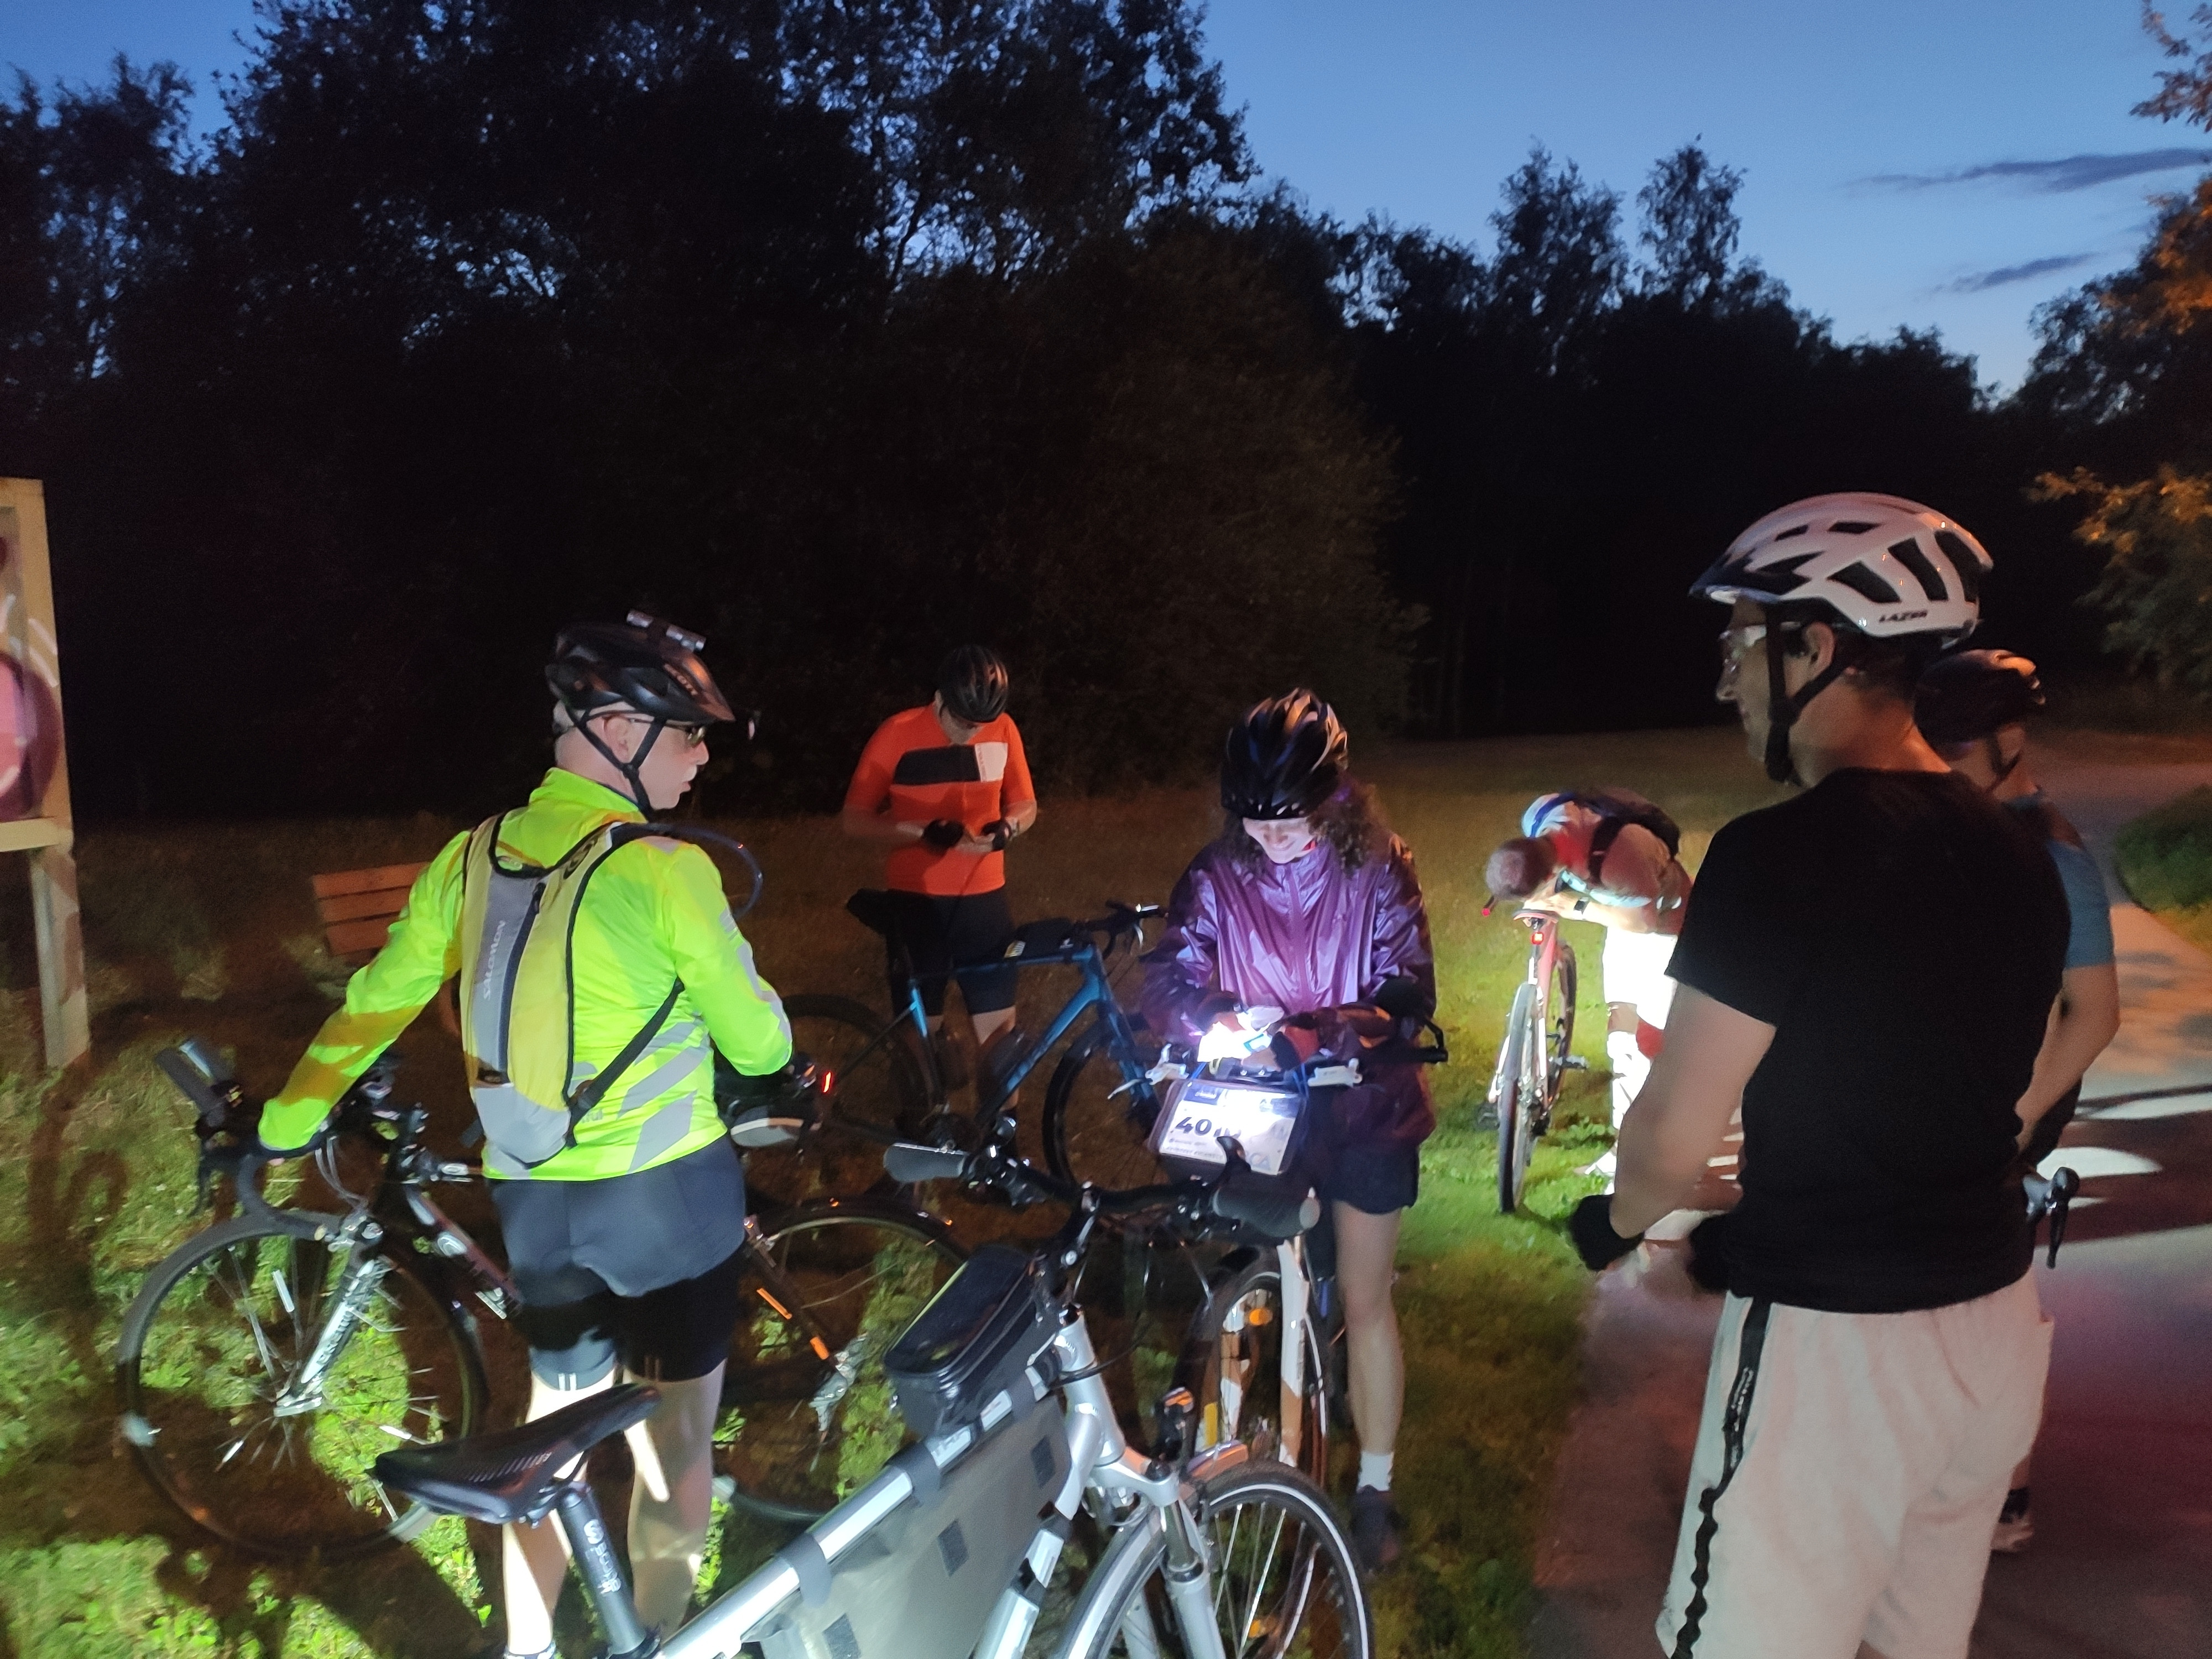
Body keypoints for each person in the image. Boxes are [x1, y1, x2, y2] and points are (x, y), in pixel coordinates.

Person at [1568, 494, 2070, 1659]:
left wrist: (1612, 1223)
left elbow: (1667, 1141)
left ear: (1816, 647)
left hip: (1837, 1350)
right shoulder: (2021, 854)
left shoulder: (1774, 856)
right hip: (1994, 1325)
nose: (1729, 683)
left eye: (1742, 645)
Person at [256, 614, 800, 1658]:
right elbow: (760, 1038)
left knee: (551, 1442)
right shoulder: (666, 869)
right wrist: (772, 1060)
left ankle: (528, 1647)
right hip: (670, 1204)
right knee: (676, 1448)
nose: (701, 757)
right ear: (619, 731)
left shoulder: (469, 857)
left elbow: (376, 1002)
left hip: (538, 1208)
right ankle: (661, 1634)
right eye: (689, 733)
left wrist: (290, 1116)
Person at [1141, 690, 1437, 1573]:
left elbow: (1407, 990)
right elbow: (1169, 977)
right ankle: (1239, 1460)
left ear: (1334, 801)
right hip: (1263, 1112)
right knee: (1253, 1286)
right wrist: (1212, 1019)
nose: (1271, 837)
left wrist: (1322, 1032)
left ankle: (1375, 1486)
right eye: (1255, 821)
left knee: (1366, 1296)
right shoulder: (1214, 876)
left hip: (1368, 1108)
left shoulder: (1379, 867)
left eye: (1291, 821)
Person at [1916, 646, 2121, 1553]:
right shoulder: (1957, 828)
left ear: (2010, 739)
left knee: (1987, 1297)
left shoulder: (2052, 853)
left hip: (2006, 1112)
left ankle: (2005, 1491)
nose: (1941, 767)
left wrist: (2014, 1122)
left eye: (1957, 748)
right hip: (1951, 1102)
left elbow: (2095, 1013)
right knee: (1950, 1293)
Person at [840, 645, 1037, 1068]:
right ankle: (927, 1101)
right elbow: (854, 820)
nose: (972, 732)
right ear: (939, 699)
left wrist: (1008, 828)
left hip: (984, 900)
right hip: (918, 901)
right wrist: (920, 831)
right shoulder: (897, 733)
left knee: (1001, 1040)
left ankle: (997, 1114)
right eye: (963, 722)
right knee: (918, 1037)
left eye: (980, 724)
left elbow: (1026, 803)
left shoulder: (1003, 729)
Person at [1485, 790, 1692, 1152]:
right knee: (1621, 1038)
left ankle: (1660, 1149)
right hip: (1621, 908)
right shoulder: (1539, 814)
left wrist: (1573, 906)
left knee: (1650, 1041)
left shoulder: (1620, 859)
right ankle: (1624, 1147)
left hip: (1665, 925)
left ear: (1551, 872)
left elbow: (1641, 923)